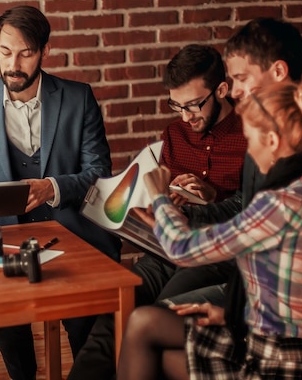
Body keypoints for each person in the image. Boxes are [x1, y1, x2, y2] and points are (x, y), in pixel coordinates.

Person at [118, 72, 302, 380]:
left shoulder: (280, 207)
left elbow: (182, 250)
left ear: (272, 141)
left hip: (270, 365)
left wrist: (160, 198)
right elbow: (298, 296)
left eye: (250, 139)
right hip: (294, 350)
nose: (249, 152)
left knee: (145, 335)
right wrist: (234, 315)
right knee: (148, 330)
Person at [0, 5, 121, 380]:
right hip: (6, 242)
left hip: (74, 234)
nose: (13, 63)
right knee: (11, 337)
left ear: (44, 51)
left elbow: (98, 173)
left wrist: (53, 188)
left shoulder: (79, 98)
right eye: (5, 51)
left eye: (25, 53)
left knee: (90, 344)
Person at [66, 44, 248, 380]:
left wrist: (211, 198)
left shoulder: (250, 135)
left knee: (150, 317)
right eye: (176, 105)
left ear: (221, 90)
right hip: (163, 249)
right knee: (114, 315)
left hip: (213, 255)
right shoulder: (174, 135)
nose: (184, 116)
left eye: (193, 105)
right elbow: (162, 200)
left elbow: (253, 214)